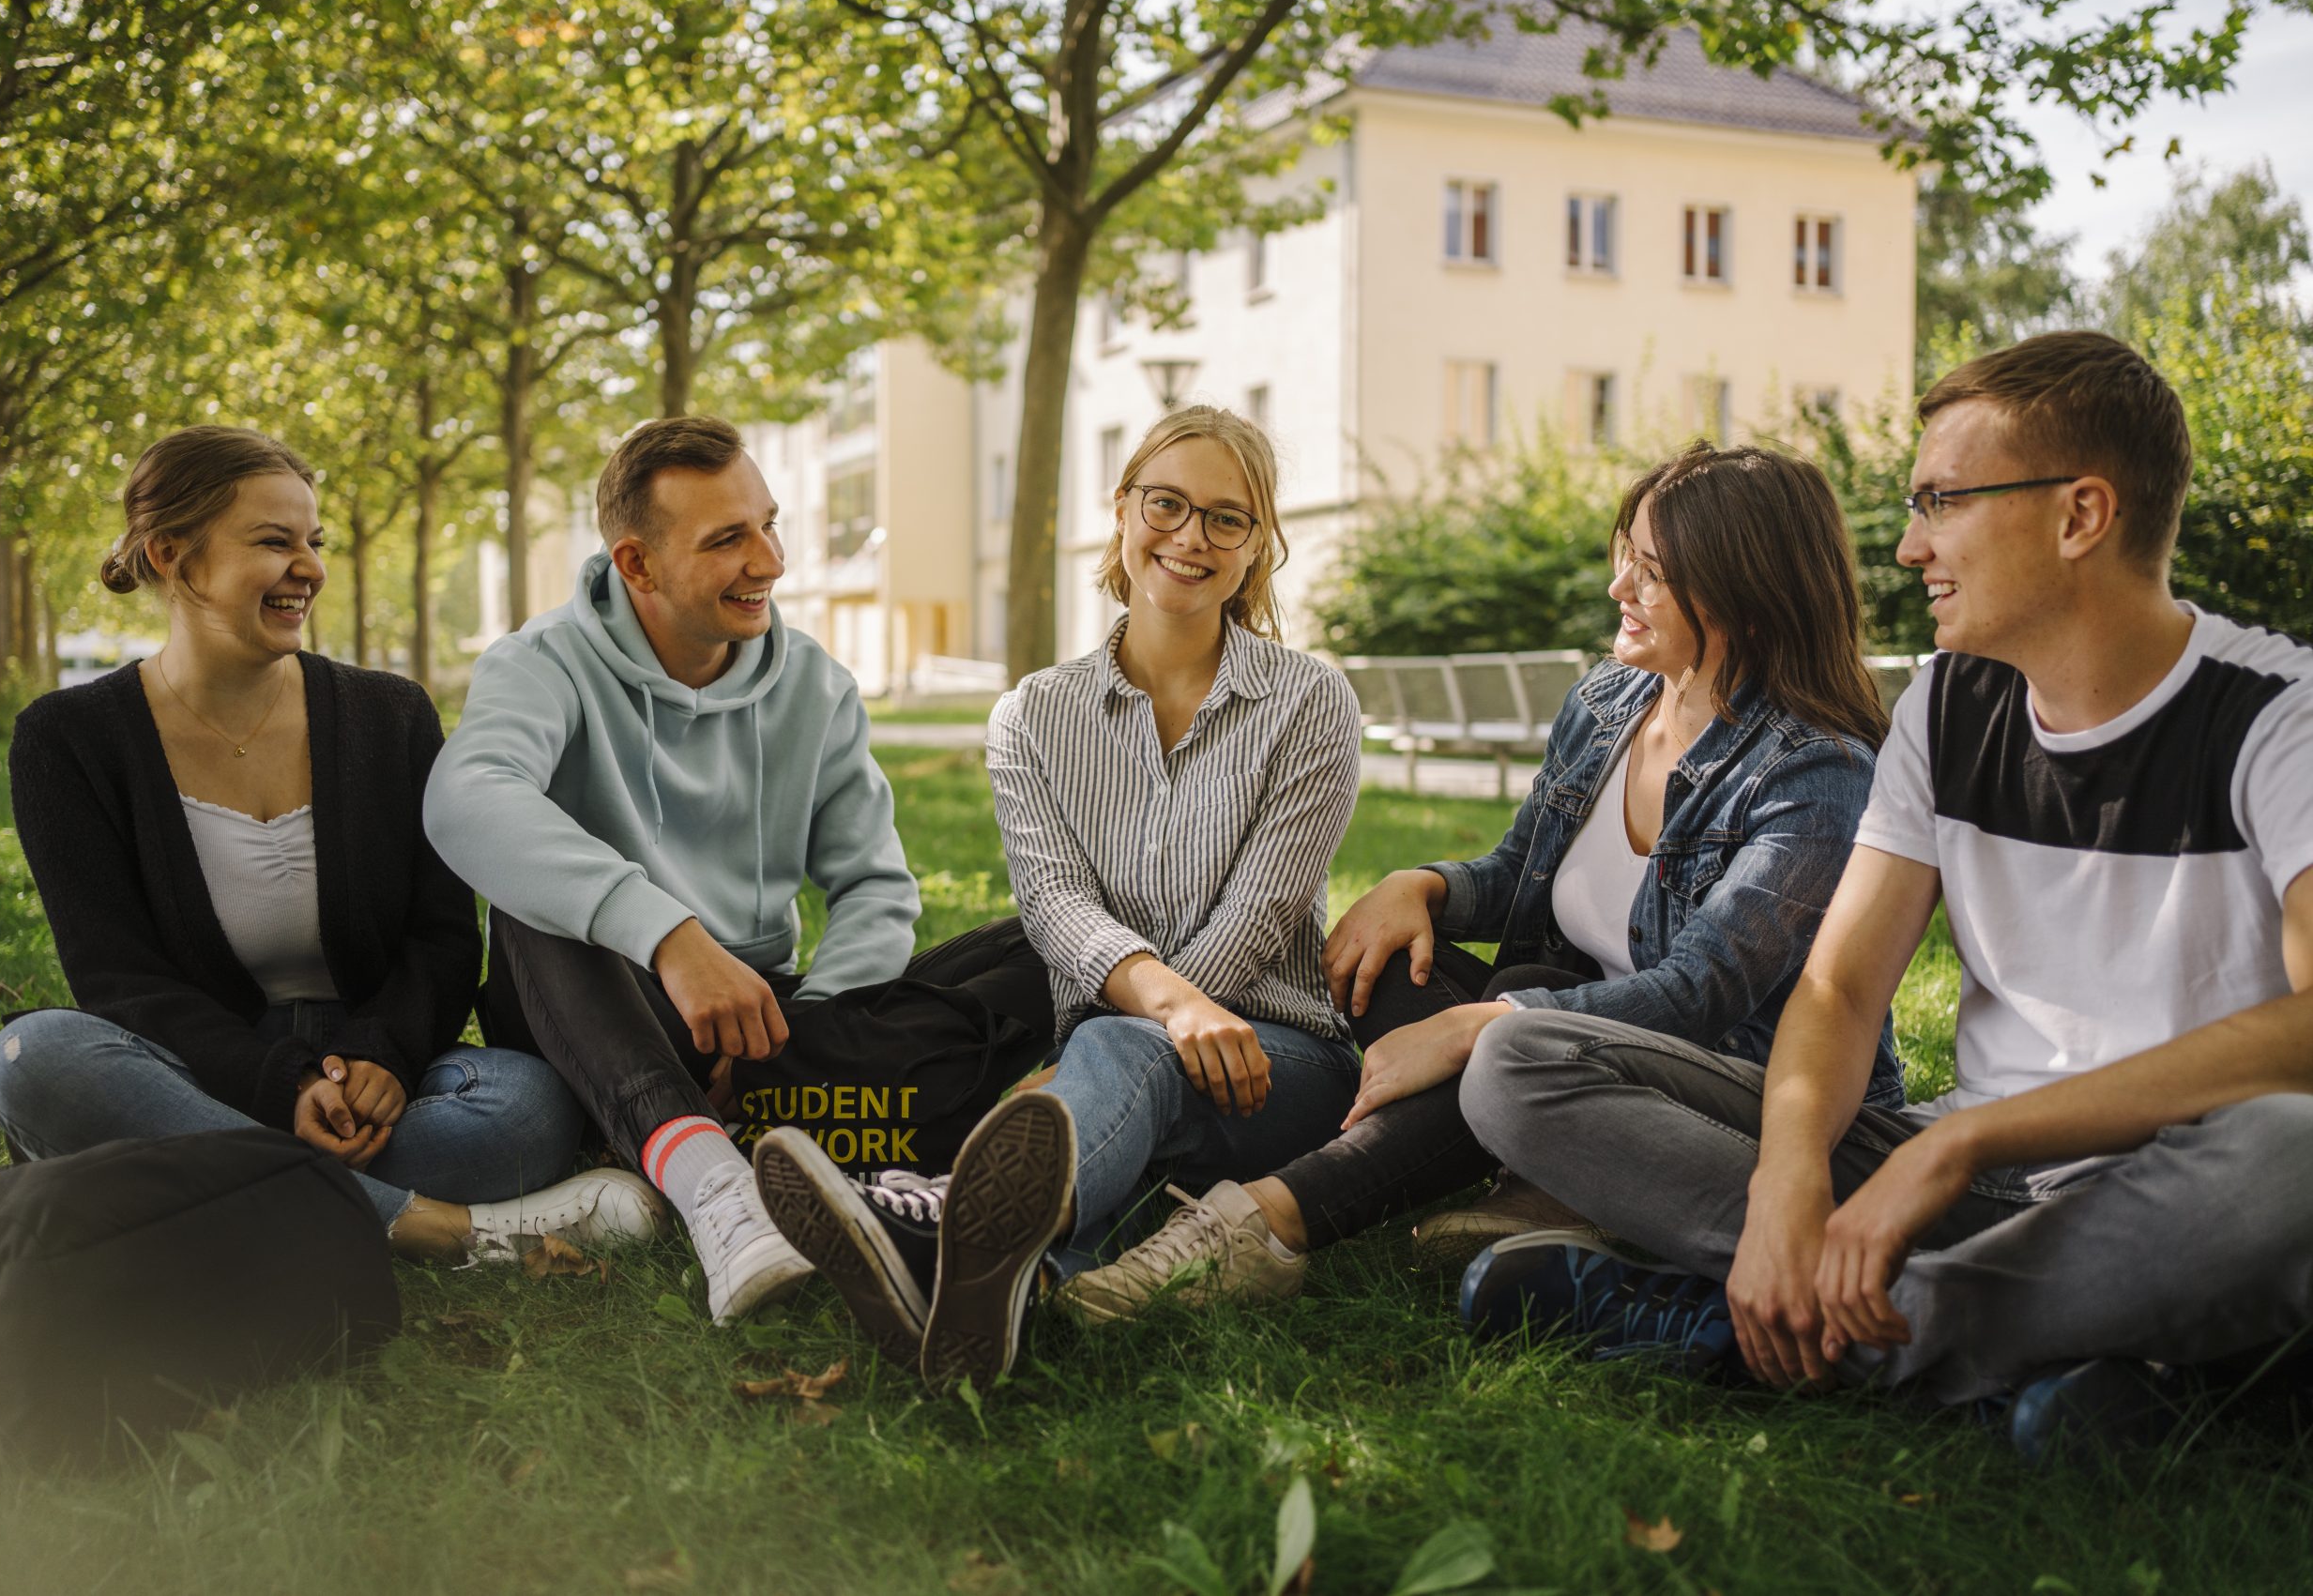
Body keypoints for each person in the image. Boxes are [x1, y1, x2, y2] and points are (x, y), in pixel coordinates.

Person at [1459, 331, 2313, 1462]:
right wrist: (1790, 1175)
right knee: (1521, 1062)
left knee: (2292, 1155)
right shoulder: (1947, 711)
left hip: (2169, 1179)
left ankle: (1779, 1329)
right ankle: (2098, 1361)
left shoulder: (2275, 715)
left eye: (1942, 502)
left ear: (2079, 515)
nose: (1910, 547)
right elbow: (1842, 982)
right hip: (1969, 1181)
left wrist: (1952, 1148)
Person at [1070, 441, 1905, 1317]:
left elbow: (1702, 992)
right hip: (1559, 1031)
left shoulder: (1814, 771)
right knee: (1389, 965)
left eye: (1653, 572)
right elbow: (1520, 876)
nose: (1619, 587)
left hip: (1713, 1087)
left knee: (1509, 1024)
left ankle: (1260, 1227)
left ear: (1746, 590)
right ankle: (1541, 1185)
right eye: (1627, 555)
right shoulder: (1610, 704)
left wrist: (1480, 1025)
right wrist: (1422, 885)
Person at [754, 403, 1364, 1387]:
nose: (1189, 537)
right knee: (1119, 1064)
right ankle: (997, 1287)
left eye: (1225, 519)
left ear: (1259, 548)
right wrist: (1158, 1014)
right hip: (1109, 1059)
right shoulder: (1033, 716)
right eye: (1165, 504)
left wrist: (1157, 1016)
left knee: (1118, 1047)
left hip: (1280, 1060)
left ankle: (939, 1212)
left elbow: (1258, 913)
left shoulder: (1309, 702)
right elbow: (1055, 909)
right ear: (1120, 511)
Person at [424, 416, 1052, 1326]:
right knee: (537, 912)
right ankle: (721, 1188)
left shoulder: (816, 687)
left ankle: (770, 1113)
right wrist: (669, 936)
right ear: (635, 564)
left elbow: (875, 889)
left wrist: (800, 1027)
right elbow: (466, 797)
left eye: (768, 523)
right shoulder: (541, 664)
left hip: (768, 1023)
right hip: (603, 1000)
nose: (770, 560)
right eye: (728, 539)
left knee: (1051, 940)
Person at [0, 426, 662, 1264]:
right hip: (195, 1067)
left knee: (524, 1106)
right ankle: (442, 1232)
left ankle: (187, 1185)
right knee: (31, 1058)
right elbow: (115, 976)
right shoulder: (68, 739)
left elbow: (443, 934)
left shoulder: (391, 716)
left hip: (376, 1077)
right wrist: (282, 1084)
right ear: (171, 556)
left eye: (315, 541)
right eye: (274, 542)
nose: (309, 567)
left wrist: (384, 1056)